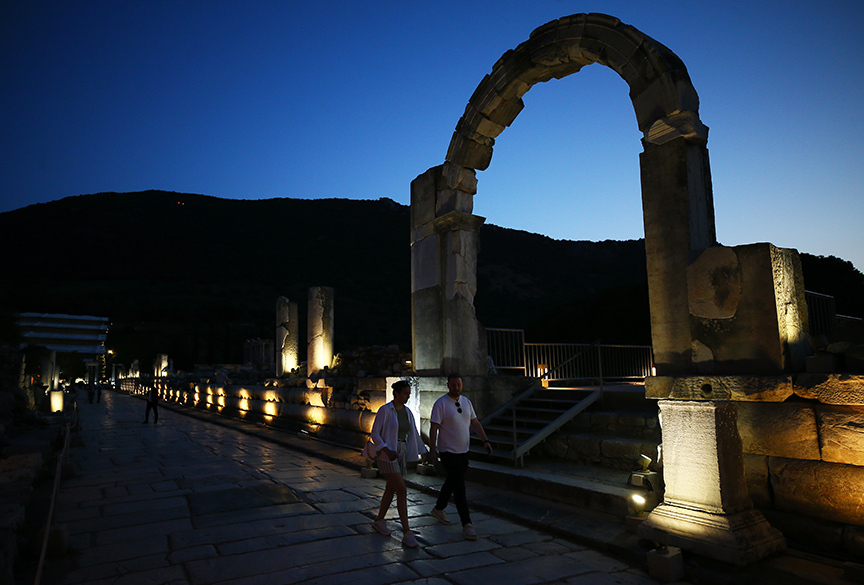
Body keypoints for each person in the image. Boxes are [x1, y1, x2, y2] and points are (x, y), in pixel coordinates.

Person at [428, 373, 493, 540]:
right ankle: (467, 523)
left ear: (462, 385)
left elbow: (475, 422)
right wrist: (433, 451)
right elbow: (434, 427)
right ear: (448, 385)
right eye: (453, 385)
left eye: (458, 384)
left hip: (463, 451)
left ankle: (439, 508)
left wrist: (485, 440)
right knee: (459, 487)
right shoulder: (441, 403)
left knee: (452, 480)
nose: (456, 387)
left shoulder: (466, 402)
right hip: (448, 451)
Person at [369, 380, 428, 548]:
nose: (407, 397)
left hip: (400, 452)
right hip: (388, 455)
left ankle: (379, 520)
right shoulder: (385, 410)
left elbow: (414, 433)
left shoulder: (408, 412)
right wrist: (385, 449)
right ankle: (407, 532)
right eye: (405, 394)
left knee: (391, 488)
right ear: (396, 393)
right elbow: (375, 432)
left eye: (409, 394)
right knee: (401, 489)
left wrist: (424, 452)